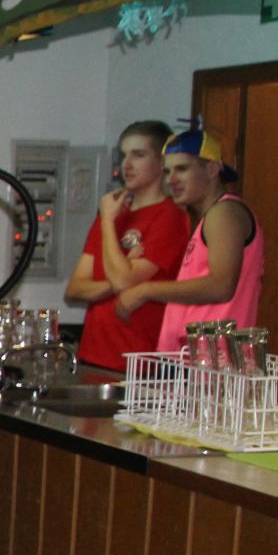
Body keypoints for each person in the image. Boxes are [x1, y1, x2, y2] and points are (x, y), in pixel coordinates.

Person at [114, 127, 265, 350]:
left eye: (182, 169)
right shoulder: (209, 217)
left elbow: (221, 286)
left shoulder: (224, 213)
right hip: (196, 358)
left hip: (215, 361)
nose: (171, 180)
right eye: (167, 172)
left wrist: (144, 291)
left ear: (212, 169)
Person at [63, 120, 188, 372]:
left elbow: (122, 280)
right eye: (124, 156)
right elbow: (75, 289)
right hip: (92, 353)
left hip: (139, 363)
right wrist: (125, 272)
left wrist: (108, 223)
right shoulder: (112, 210)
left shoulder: (169, 217)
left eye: (138, 155)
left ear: (162, 162)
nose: (127, 165)